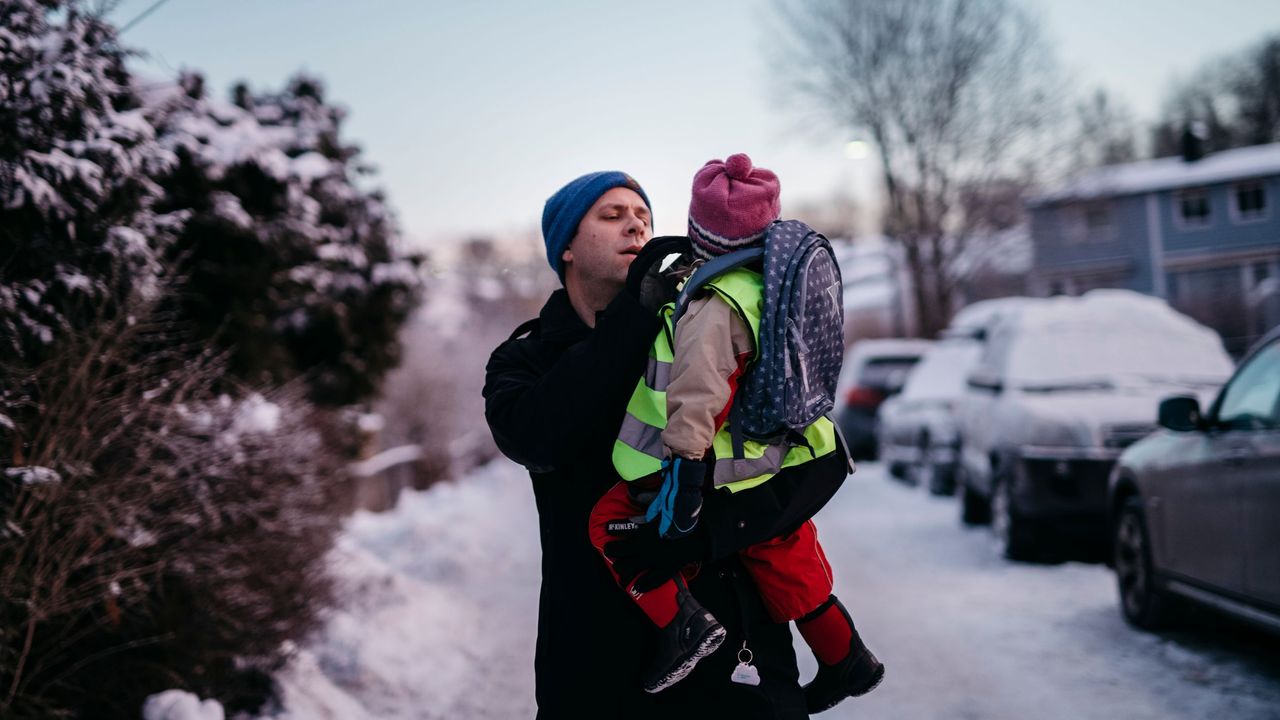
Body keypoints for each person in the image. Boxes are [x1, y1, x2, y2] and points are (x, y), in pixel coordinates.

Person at [483, 170, 852, 719]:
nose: (634, 225)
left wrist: (703, 536)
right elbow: (540, 438)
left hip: (739, 666)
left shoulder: (709, 330)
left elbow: (818, 469)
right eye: (611, 216)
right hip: (597, 671)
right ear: (564, 248)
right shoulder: (524, 361)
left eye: (643, 217)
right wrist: (637, 311)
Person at [585, 155, 883, 710]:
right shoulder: (769, 284)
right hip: (785, 451)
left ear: (699, 233)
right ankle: (847, 658)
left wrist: (683, 480)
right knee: (779, 546)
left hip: (715, 463)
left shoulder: (713, 302)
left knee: (610, 524)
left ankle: (683, 627)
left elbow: (698, 397)